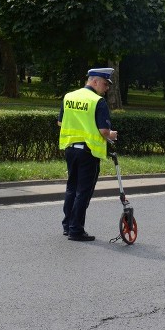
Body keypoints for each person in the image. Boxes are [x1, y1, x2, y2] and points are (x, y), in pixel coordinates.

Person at [57, 68, 118, 241]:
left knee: (71, 188)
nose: (106, 88)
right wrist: (112, 135)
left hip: (70, 149)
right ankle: (76, 230)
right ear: (95, 81)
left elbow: (60, 121)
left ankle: (67, 226)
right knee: (83, 191)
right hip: (88, 152)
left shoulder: (69, 96)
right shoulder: (97, 101)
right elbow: (104, 130)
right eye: (105, 84)